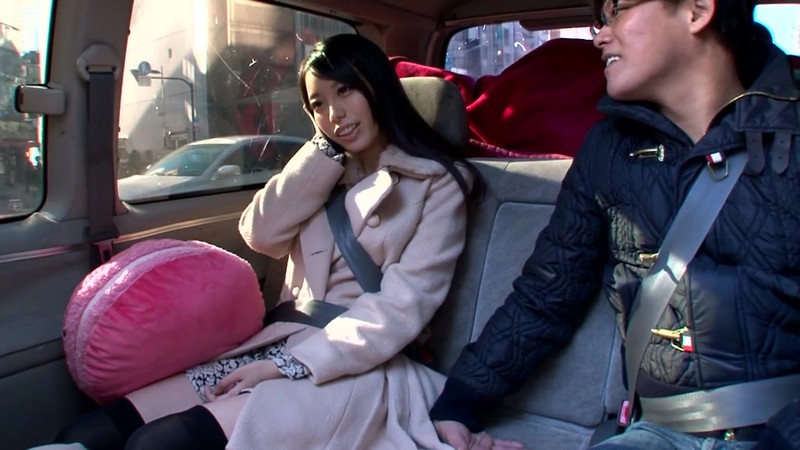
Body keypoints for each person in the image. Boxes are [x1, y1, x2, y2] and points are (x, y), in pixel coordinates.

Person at [49, 33, 487, 450]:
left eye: (346, 91)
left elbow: (401, 307)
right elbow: (260, 235)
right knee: (92, 431)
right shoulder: (325, 168)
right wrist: (323, 153)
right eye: (318, 104)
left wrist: (288, 365)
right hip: (280, 341)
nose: (335, 113)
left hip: (356, 363)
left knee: (160, 443)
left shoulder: (439, 184)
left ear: (378, 88)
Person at [430, 0, 800, 449]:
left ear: (697, 10)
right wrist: (460, 402)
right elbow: (548, 292)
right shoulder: (608, 150)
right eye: (599, 21)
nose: (600, 36)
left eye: (618, 10)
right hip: (657, 432)